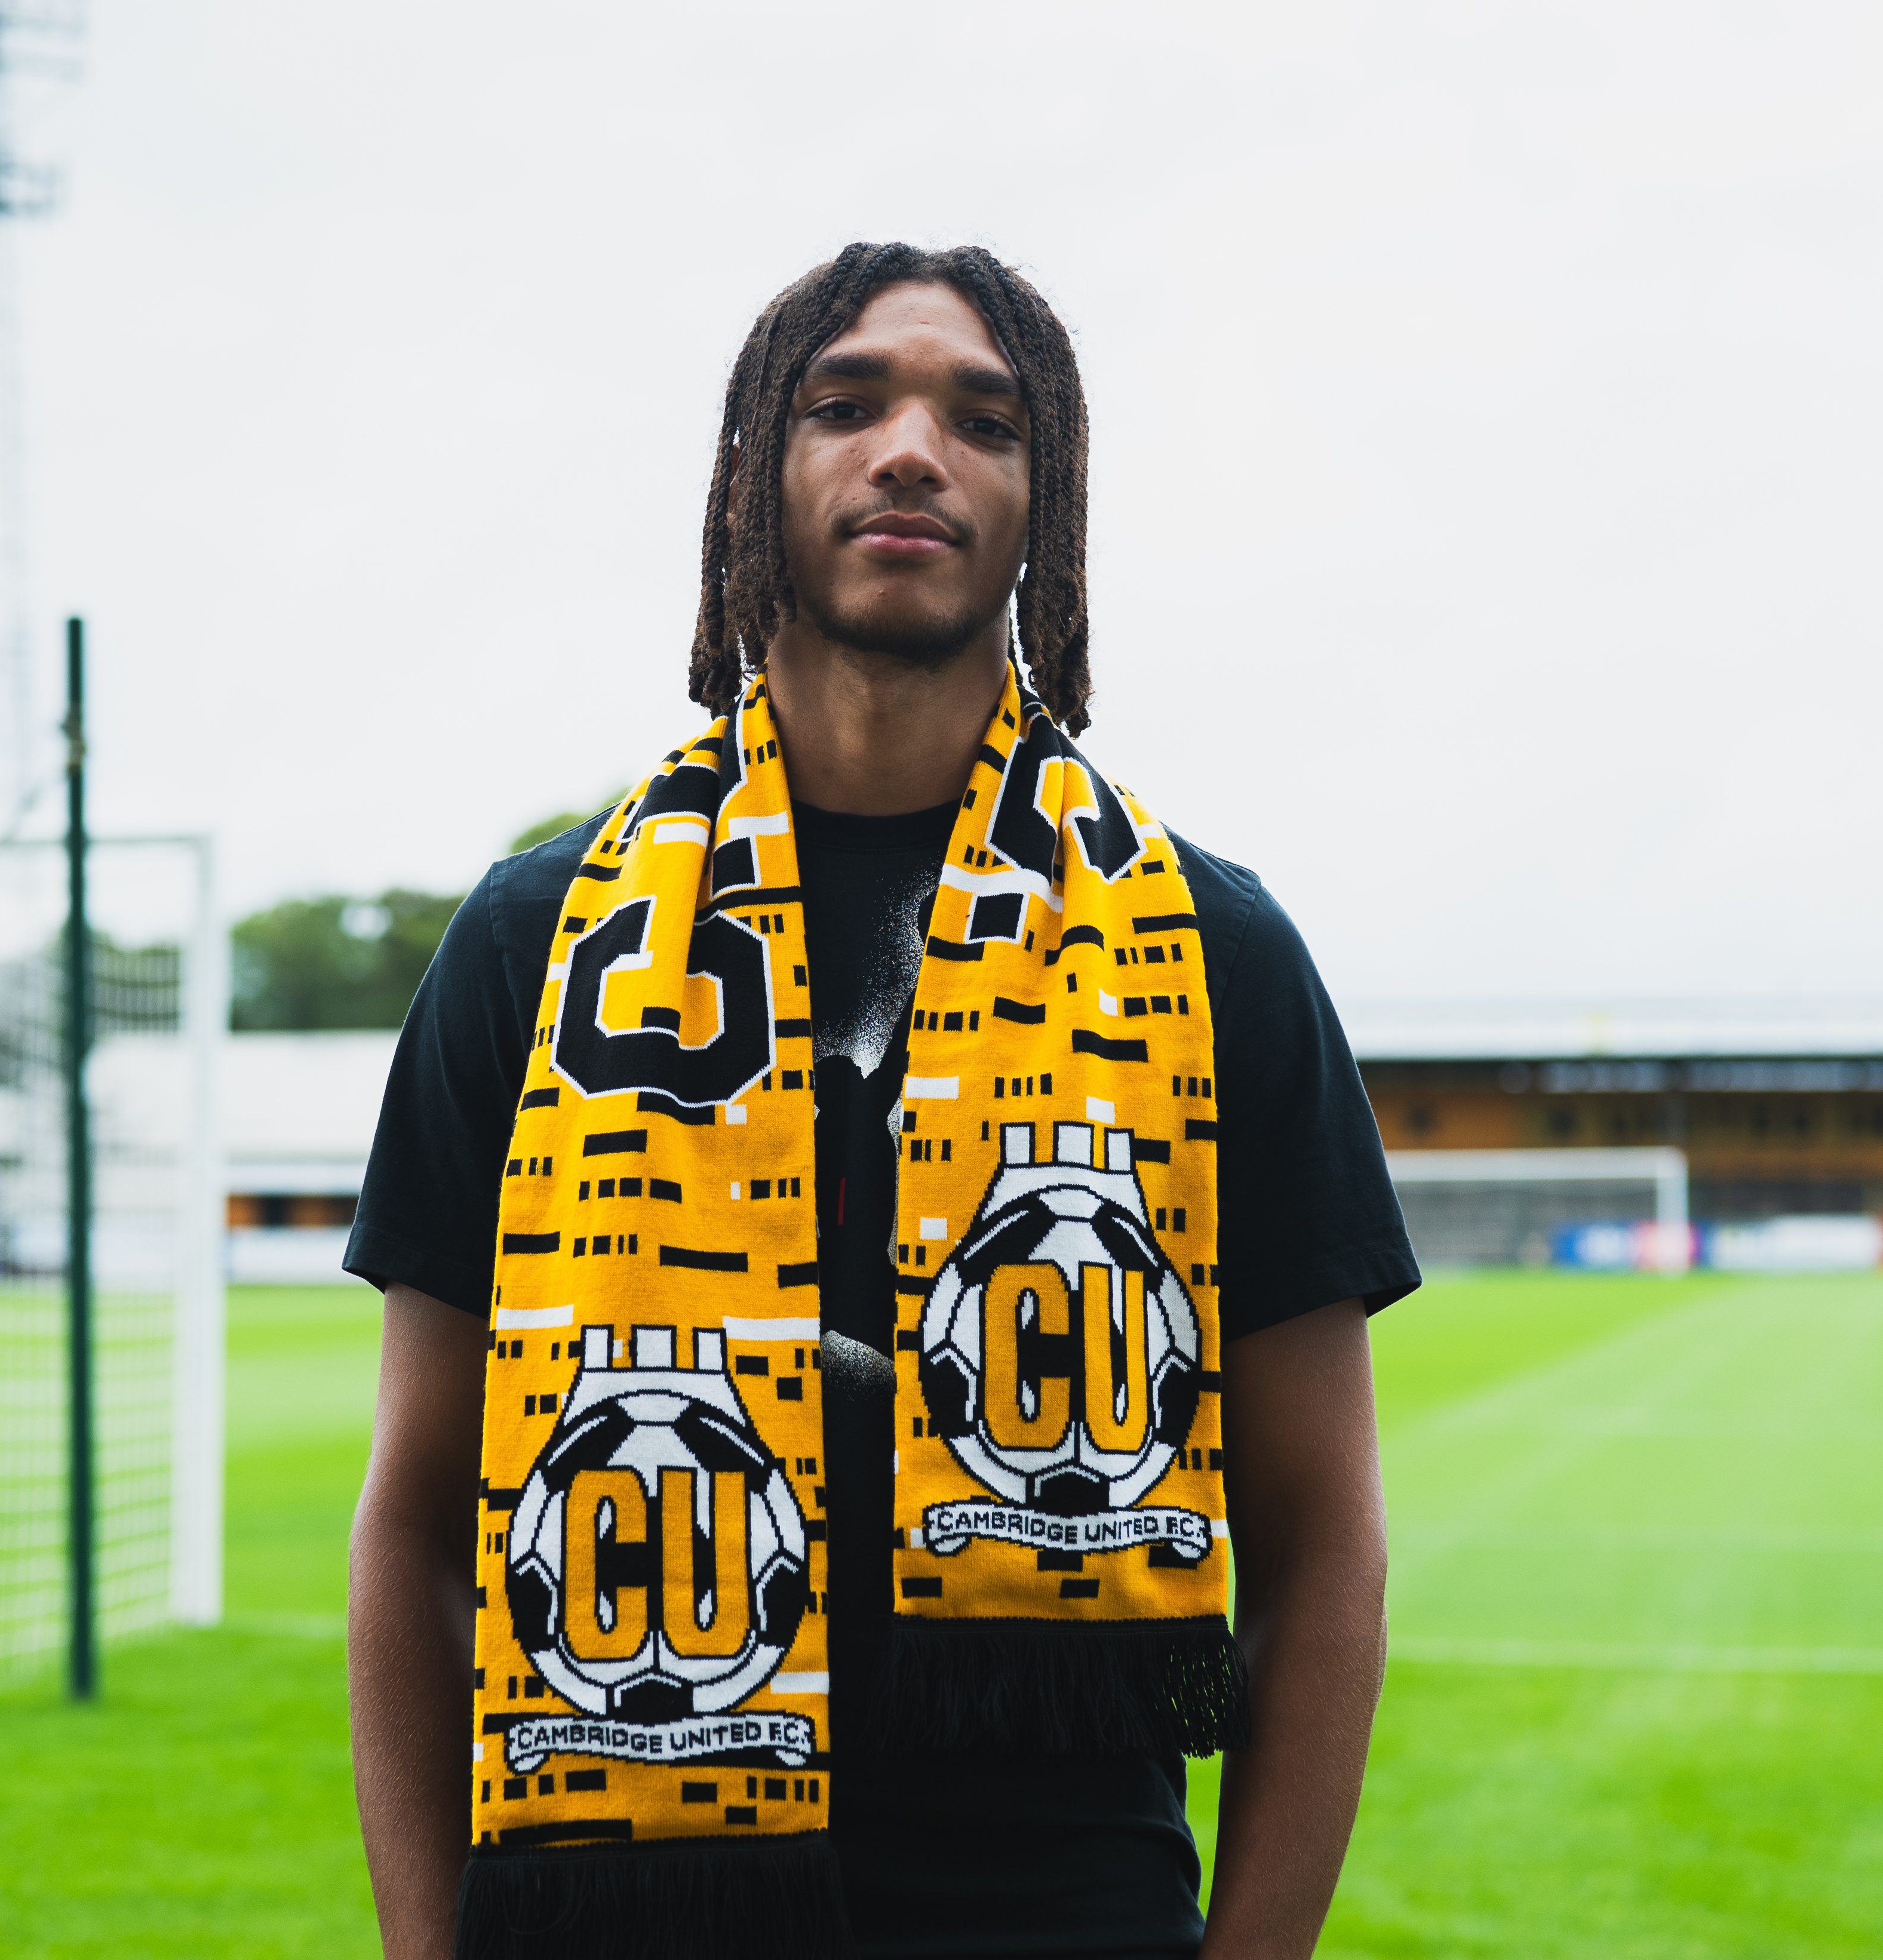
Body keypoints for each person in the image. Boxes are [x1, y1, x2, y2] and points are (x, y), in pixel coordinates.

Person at [346, 242, 1414, 1960]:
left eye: (982, 420)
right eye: (845, 404)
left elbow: (1323, 1540)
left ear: (1042, 502)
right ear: (752, 477)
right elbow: (415, 1522)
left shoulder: (1211, 948)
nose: (910, 449)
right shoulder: (533, 942)